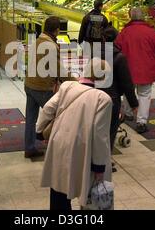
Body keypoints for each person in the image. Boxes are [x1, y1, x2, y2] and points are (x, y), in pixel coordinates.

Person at [36, 58, 113, 210]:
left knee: (59, 186)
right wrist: (99, 166)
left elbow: (48, 108)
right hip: (82, 149)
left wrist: (40, 132)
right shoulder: (103, 99)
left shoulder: (67, 86)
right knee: (86, 189)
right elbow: (99, 136)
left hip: (58, 142)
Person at [24, 16, 74, 158]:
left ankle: (29, 148)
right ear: (57, 30)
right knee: (58, 116)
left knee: (30, 118)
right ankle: (58, 148)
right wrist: (75, 81)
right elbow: (59, 69)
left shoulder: (38, 41)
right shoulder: (50, 46)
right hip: (42, 87)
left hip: (29, 84)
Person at [115, 7, 155, 134]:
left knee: (127, 91)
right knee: (144, 95)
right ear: (144, 17)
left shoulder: (124, 32)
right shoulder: (152, 33)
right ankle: (141, 122)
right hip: (146, 70)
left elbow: (116, 48)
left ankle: (128, 113)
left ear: (131, 17)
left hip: (127, 69)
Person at [100, 26, 138, 172]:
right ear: (116, 39)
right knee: (110, 130)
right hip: (112, 98)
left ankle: (95, 159)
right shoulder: (119, 57)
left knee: (98, 130)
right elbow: (127, 83)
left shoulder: (95, 55)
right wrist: (133, 103)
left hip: (96, 96)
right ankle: (104, 163)